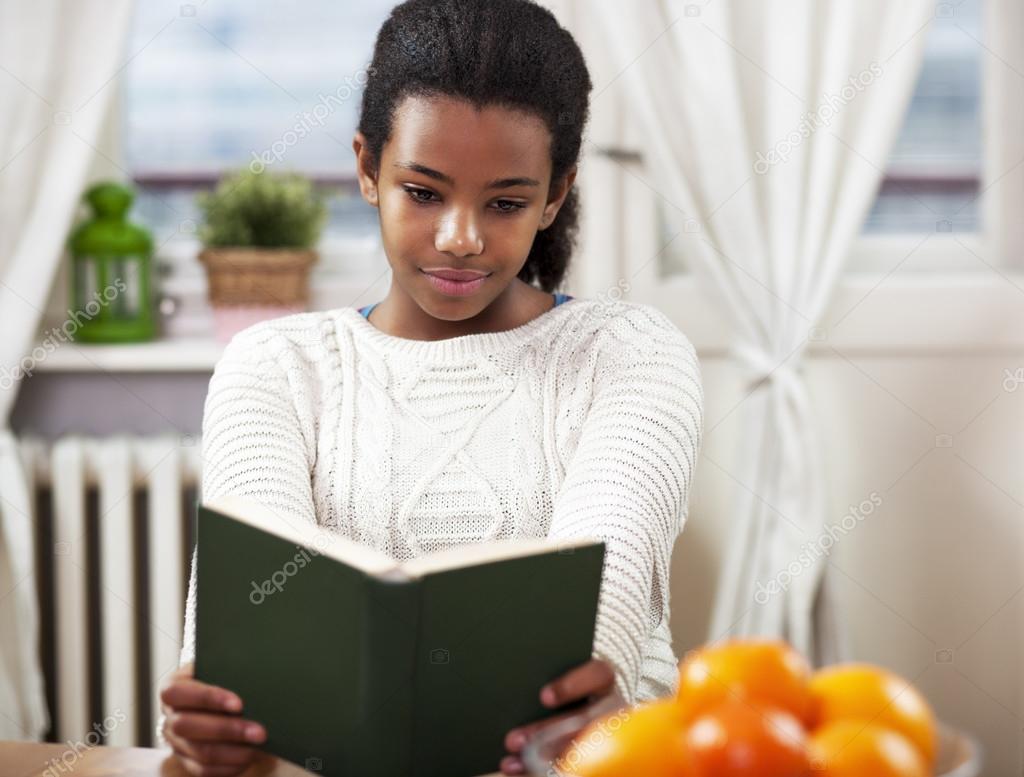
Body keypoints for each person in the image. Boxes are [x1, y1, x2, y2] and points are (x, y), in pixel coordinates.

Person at [158, 0, 704, 774]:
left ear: (555, 195)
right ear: (366, 167)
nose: (461, 237)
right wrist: (218, 729)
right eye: (423, 191)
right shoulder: (273, 366)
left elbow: (600, 630)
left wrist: (582, 715)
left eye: (507, 202)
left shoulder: (629, 355)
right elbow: (246, 649)